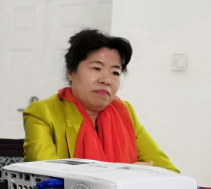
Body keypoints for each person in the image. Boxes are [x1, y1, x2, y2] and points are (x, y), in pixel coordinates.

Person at [22, 29, 178, 171]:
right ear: (70, 72)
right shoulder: (42, 113)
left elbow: (169, 172)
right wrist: (123, 174)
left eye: (115, 72)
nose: (107, 80)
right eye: (97, 68)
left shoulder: (125, 113)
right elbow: (47, 176)